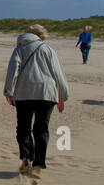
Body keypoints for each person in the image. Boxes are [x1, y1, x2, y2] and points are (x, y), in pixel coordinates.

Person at [4, 25, 69, 175]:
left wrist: (8, 91)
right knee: (41, 128)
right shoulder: (49, 50)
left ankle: (26, 157)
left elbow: (12, 69)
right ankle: (39, 162)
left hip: (24, 94)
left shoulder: (19, 48)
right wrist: (62, 97)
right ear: (41, 36)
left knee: (23, 128)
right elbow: (58, 74)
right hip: (47, 94)